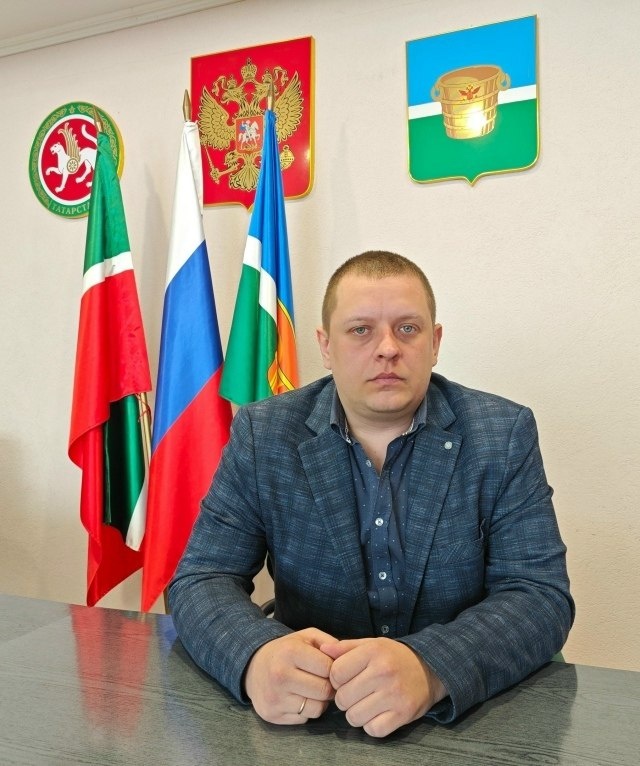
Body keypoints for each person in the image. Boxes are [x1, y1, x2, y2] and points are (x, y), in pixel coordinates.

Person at [168, 250, 574, 738]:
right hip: (310, 715)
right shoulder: (265, 433)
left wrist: (430, 668)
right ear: (325, 346)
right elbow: (201, 578)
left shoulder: (502, 433)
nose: (387, 348)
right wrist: (256, 655)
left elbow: (539, 595)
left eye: (408, 328)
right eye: (361, 330)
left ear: (435, 342)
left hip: (459, 720)